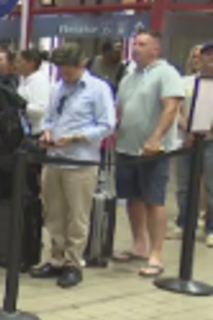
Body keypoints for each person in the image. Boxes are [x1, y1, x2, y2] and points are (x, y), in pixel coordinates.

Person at [31, 44, 116, 288]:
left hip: (81, 161)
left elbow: (107, 124)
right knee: (54, 213)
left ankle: (73, 263)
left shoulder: (98, 89)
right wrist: (47, 132)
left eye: (68, 71)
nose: (63, 76)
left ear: (82, 65)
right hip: (54, 159)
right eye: (60, 71)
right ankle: (56, 259)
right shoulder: (59, 88)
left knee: (77, 216)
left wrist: (77, 137)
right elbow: (50, 117)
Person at [113, 31, 184, 276]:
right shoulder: (129, 75)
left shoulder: (167, 73)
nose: (136, 48)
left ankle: (156, 254)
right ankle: (139, 245)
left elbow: (171, 107)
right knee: (133, 198)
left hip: (155, 152)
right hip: (126, 147)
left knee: (154, 200)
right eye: (134, 44)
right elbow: (121, 108)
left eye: (142, 44)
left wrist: (155, 139)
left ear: (156, 49)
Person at [174, 44, 213, 246]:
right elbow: (176, 109)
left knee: (211, 186)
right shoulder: (184, 83)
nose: (210, 58)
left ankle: (211, 228)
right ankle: (184, 223)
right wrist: (189, 130)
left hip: (211, 143)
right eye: (207, 54)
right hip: (187, 141)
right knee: (184, 185)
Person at [17, 48, 52, 136]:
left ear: (31, 63)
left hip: (36, 133)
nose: (17, 65)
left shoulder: (39, 81)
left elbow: (41, 110)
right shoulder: (26, 80)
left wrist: (21, 105)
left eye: (20, 62)